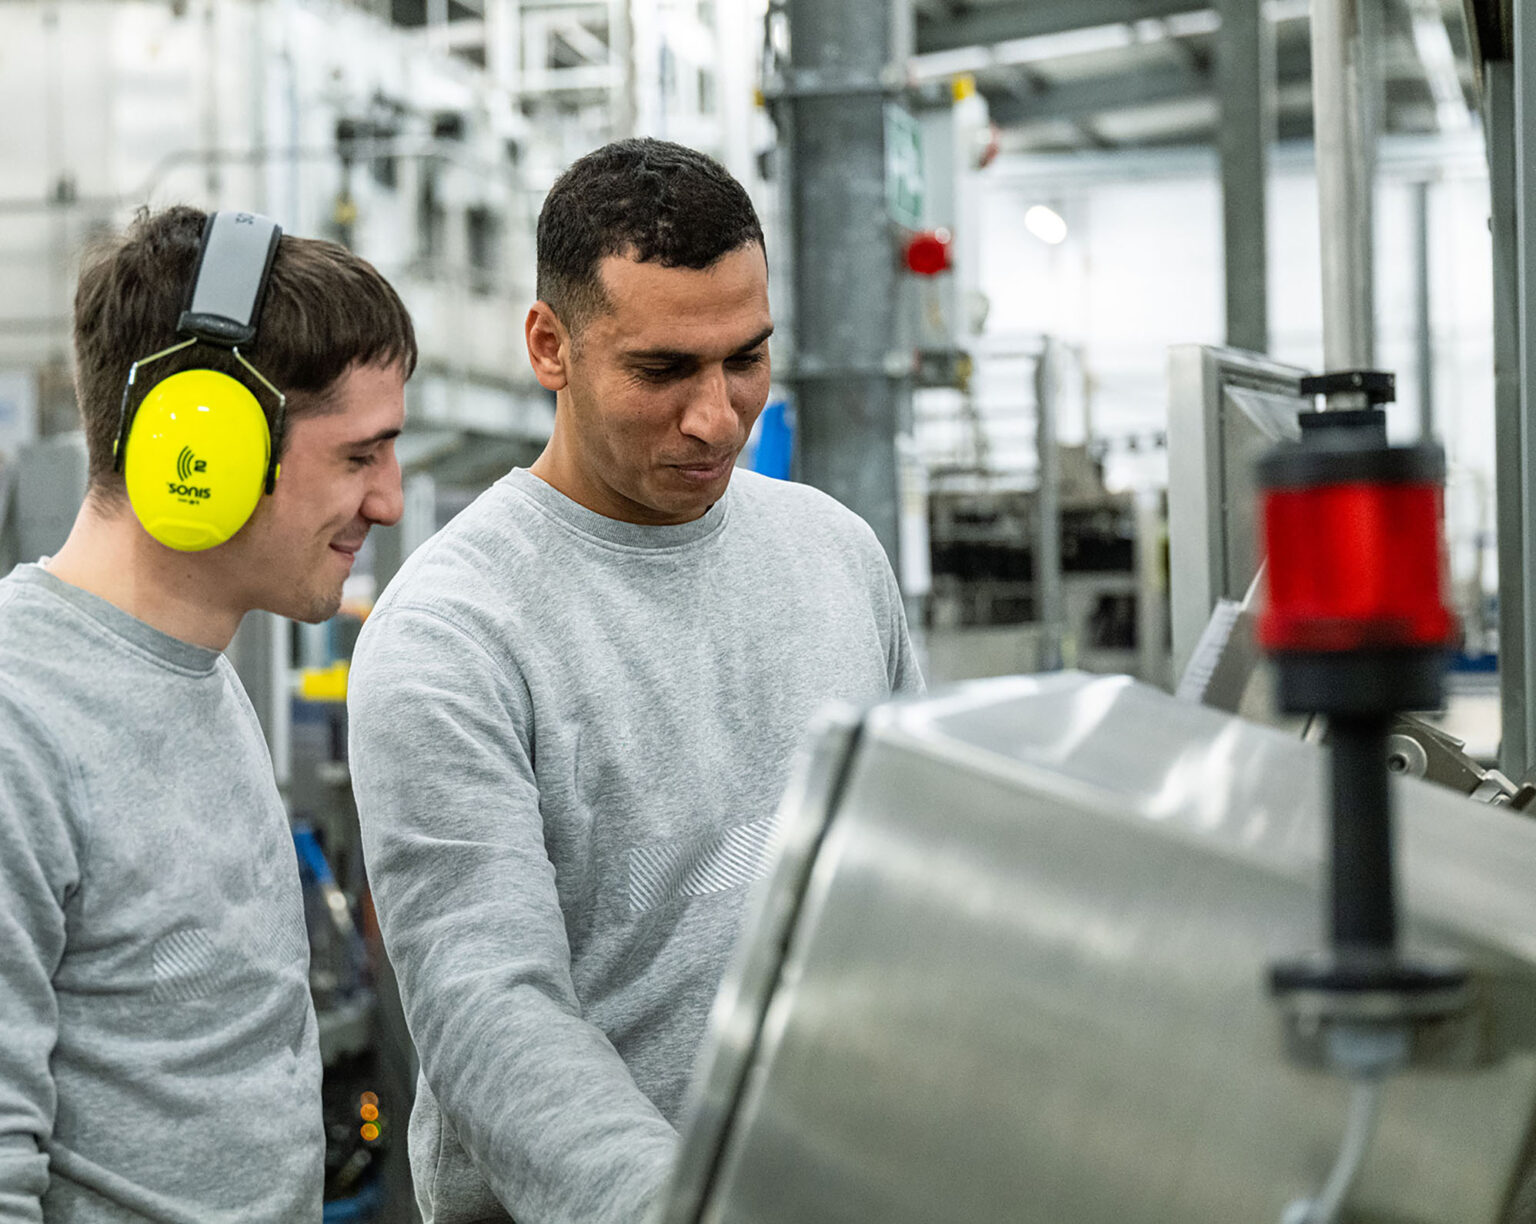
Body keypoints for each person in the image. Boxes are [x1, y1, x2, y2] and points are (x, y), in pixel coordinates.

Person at [347, 137, 924, 1224]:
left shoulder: (837, 555)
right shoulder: (452, 631)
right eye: (663, 371)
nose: (717, 416)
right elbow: (492, 1012)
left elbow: (917, 884)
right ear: (548, 346)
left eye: (746, 357)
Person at [0, 205, 415, 1222]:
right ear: (205, 444)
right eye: (360, 456)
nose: (391, 500)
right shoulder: (21, 725)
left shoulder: (195, 672)